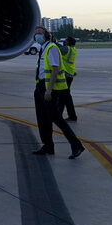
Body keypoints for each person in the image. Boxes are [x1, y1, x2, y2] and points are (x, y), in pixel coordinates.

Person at [33, 27, 86, 159]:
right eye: (35, 34)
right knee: (42, 119)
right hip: (40, 86)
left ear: (46, 35)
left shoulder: (51, 48)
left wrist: (49, 90)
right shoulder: (43, 48)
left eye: (39, 33)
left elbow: (55, 69)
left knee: (56, 118)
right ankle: (48, 146)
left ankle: (76, 145)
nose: (36, 36)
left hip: (48, 89)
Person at [59, 37, 78, 122]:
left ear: (68, 42)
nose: (64, 41)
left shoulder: (66, 49)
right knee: (65, 96)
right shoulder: (73, 49)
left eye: (65, 40)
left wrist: (53, 42)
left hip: (66, 74)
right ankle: (70, 116)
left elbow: (58, 49)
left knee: (64, 96)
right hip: (70, 74)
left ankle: (68, 116)